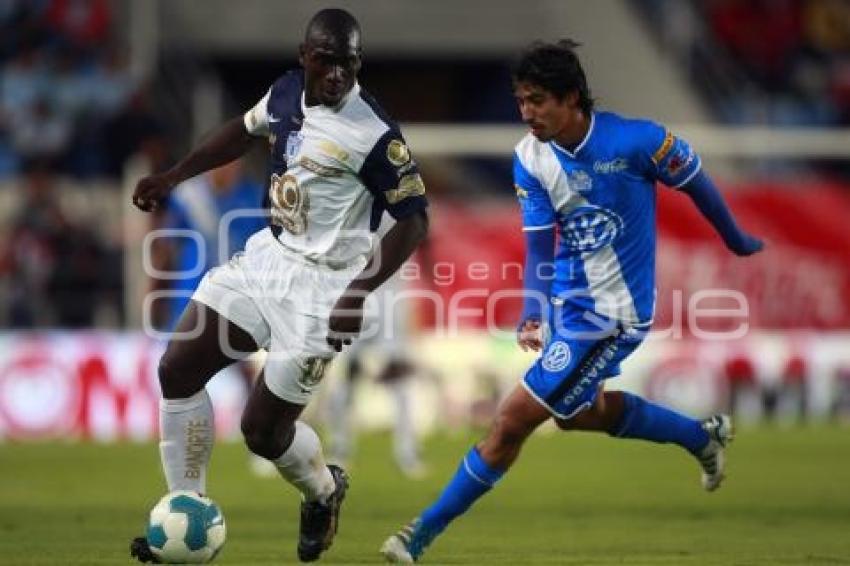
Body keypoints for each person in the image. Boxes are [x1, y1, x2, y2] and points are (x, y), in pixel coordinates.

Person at [381, 39, 763, 563]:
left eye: (538, 100)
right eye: (521, 100)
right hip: (569, 310)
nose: (527, 112)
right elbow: (540, 244)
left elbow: (695, 179)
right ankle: (700, 436)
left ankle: (417, 535)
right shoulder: (529, 158)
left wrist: (735, 237)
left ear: (572, 98)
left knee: (510, 423)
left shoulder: (636, 142)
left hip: (616, 316)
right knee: (578, 414)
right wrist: (535, 309)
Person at [128, 8, 429, 563]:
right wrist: (175, 175)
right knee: (177, 368)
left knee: (262, 433)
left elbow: (414, 220)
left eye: (349, 63)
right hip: (269, 259)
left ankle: (323, 489)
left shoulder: (374, 134)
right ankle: (185, 506)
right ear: (304, 56)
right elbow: (241, 133)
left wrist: (357, 293)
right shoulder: (287, 91)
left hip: (325, 290)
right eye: (327, 61)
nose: (338, 73)